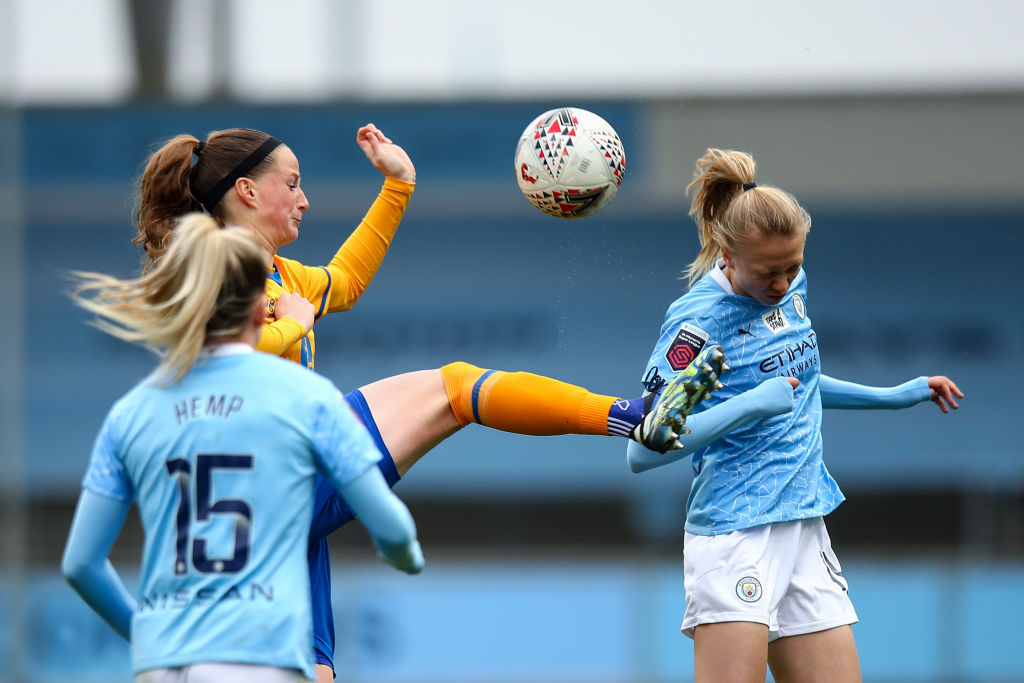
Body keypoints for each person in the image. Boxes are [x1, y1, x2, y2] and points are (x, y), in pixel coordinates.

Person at [134, 124, 726, 681]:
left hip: (279, 497)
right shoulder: (209, 272)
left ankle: (631, 415)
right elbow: (222, 350)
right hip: (255, 489)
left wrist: (398, 185)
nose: (304, 199)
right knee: (453, 388)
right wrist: (291, 325)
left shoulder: (282, 275)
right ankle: (629, 415)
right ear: (245, 190)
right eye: (291, 184)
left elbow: (347, 280)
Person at [625, 148, 964, 683]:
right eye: (767, 273)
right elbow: (643, 448)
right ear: (727, 257)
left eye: (793, 267)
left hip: (804, 523)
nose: (782, 284)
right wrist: (750, 404)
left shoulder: (789, 289)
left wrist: (896, 395)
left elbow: (799, 387)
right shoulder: (695, 326)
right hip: (735, 535)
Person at [61, 214, 424, 682]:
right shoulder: (306, 397)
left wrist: (149, 637)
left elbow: (80, 565)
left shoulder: (131, 411)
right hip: (261, 658)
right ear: (261, 311)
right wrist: (405, 556)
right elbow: (390, 528)